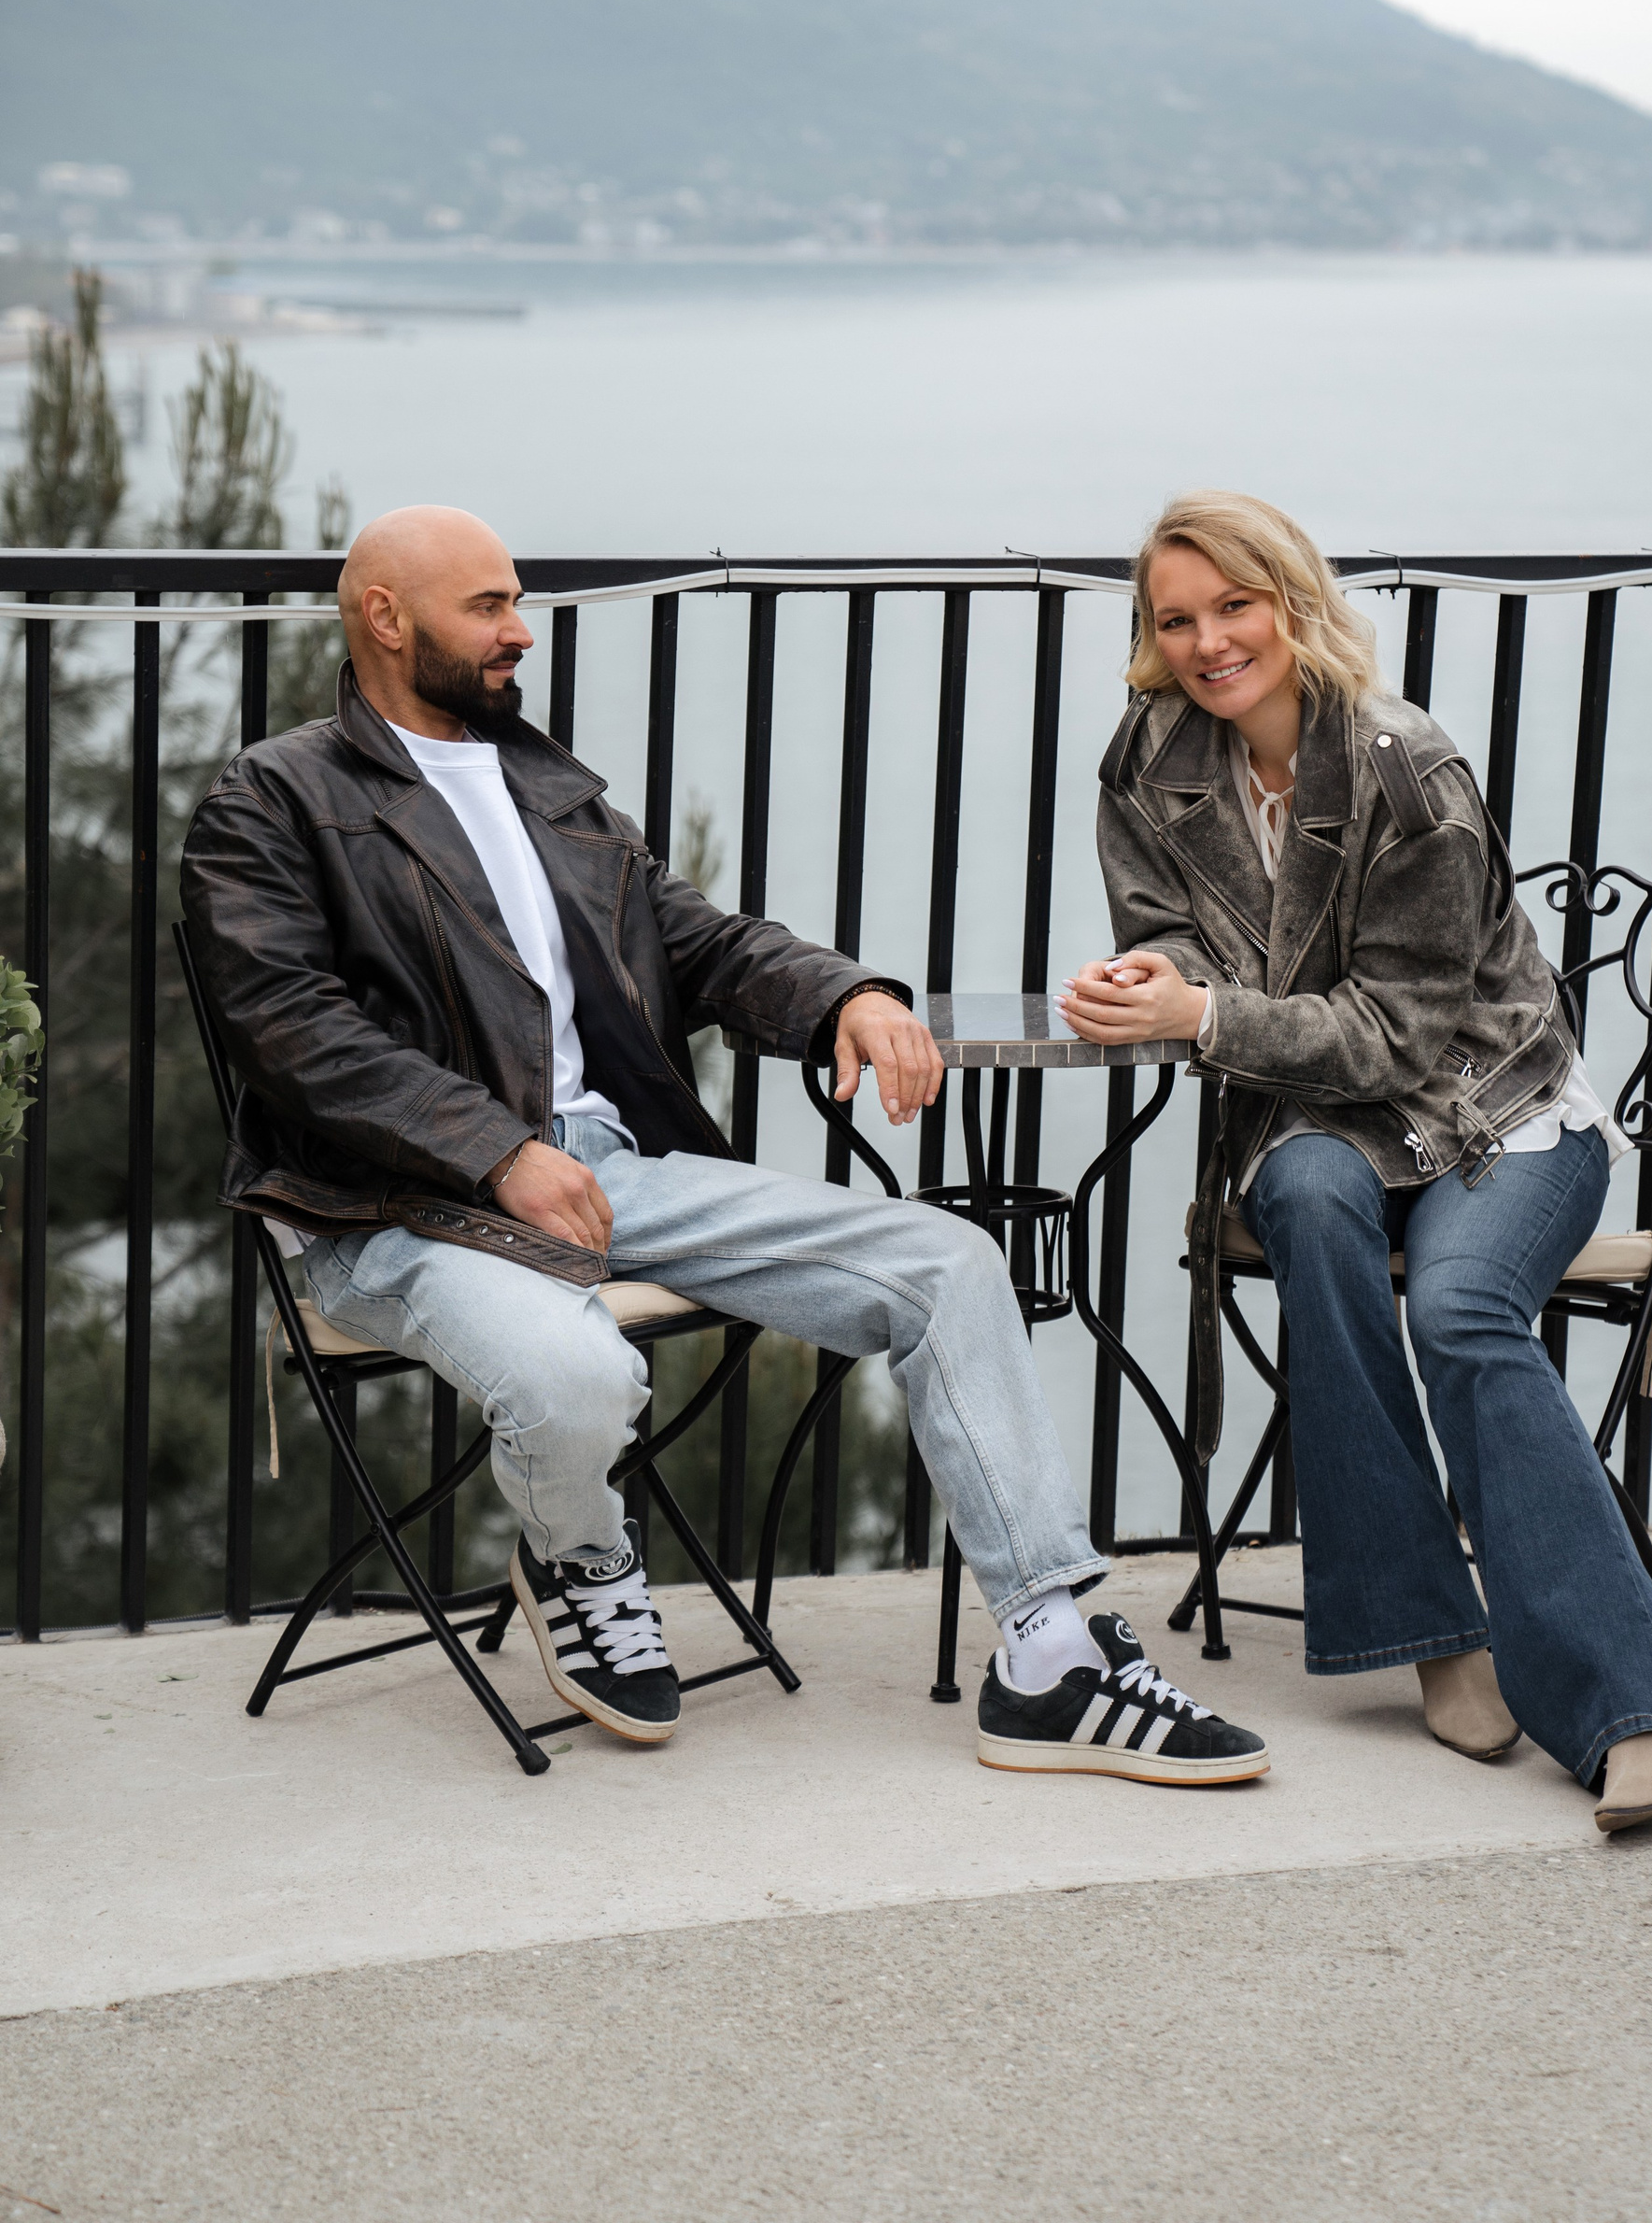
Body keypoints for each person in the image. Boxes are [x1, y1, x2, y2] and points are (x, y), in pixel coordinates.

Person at [181, 505, 1267, 1789]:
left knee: (949, 1264)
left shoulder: (547, 788)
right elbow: (291, 1031)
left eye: (516, 601)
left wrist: (849, 996)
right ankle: (583, 1557)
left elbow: (694, 941)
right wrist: (494, 1153)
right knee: (575, 1375)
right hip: (400, 1208)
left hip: (606, 1175)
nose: (521, 631)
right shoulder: (273, 800)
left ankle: (1050, 1656)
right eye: (488, 607)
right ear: (382, 617)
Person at [1062, 489, 1652, 1835]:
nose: (1208, 643)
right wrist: (1152, 977)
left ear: (1294, 603)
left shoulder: (1405, 767)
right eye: (1176, 620)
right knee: (1309, 1204)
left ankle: (1638, 1711)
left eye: (1235, 605)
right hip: (1318, 1116)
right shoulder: (1148, 760)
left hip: (1491, 1106)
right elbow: (1171, 929)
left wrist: (1202, 1017)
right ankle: (1433, 1631)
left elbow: (1400, 1033)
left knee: (1464, 1309)